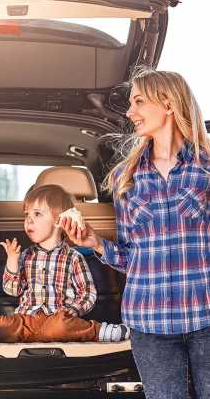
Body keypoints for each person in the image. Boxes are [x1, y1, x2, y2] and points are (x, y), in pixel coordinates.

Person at [60, 67, 209, 399]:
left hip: (206, 316)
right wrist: (96, 243)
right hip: (150, 320)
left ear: (168, 103)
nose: (130, 113)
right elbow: (129, 257)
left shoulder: (206, 168)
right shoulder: (125, 179)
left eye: (138, 102)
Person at [0, 184, 130, 343]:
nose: (29, 219)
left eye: (37, 214)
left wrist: (73, 310)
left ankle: (101, 330)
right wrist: (12, 262)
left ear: (59, 220)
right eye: (26, 214)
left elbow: (87, 293)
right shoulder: (24, 256)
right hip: (25, 320)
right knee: (0, 325)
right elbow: (13, 291)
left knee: (62, 327)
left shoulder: (73, 257)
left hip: (57, 318)